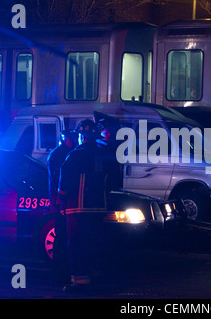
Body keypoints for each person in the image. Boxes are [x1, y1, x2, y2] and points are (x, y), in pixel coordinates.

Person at [58, 119, 123, 293]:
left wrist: (62, 197)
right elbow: (115, 180)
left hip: (77, 207)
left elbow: (65, 180)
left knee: (76, 244)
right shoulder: (104, 153)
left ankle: (79, 282)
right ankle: (94, 276)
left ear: (81, 136)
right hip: (98, 207)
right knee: (93, 242)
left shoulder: (75, 154)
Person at [47, 130, 78, 282]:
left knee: (68, 235)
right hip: (59, 200)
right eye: (72, 139)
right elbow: (58, 179)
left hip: (65, 200)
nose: (75, 141)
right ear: (65, 139)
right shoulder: (58, 155)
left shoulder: (68, 153)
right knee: (61, 235)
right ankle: (59, 269)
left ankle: (65, 267)